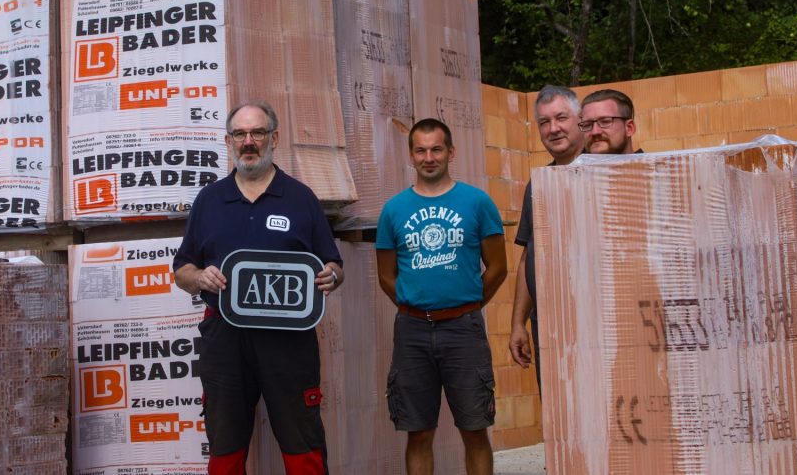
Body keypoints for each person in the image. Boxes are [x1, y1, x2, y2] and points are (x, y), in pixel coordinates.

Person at [173, 100, 344, 475]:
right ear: (229, 141)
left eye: (258, 133)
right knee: (225, 445)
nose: (248, 142)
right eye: (240, 134)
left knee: (304, 444)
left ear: (274, 138)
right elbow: (181, 268)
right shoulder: (209, 200)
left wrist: (330, 274)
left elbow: (333, 263)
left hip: (289, 340)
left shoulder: (301, 199)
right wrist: (199, 277)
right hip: (224, 338)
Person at [376, 118, 508, 475]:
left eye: (436, 149)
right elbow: (386, 275)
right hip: (412, 332)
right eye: (421, 150)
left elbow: (497, 267)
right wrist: (414, 304)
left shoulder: (477, 202)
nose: (429, 157)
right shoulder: (394, 209)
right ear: (411, 155)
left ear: (451, 152)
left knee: (475, 429)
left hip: (463, 329)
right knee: (418, 433)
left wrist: (469, 305)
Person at [509, 86, 587, 388]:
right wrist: (518, 322)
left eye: (561, 118)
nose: (553, 129)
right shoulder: (539, 184)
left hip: (600, 322)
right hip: (551, 326)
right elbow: (530, 255)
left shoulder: (605, 170)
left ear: (580, 120)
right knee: (560, 420)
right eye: (544, 122)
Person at [579, 88, 641, 155]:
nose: (595, 132)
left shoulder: (652, 165)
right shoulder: (571, 164)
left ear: (629, 128)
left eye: (605, 121)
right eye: (587, 125)